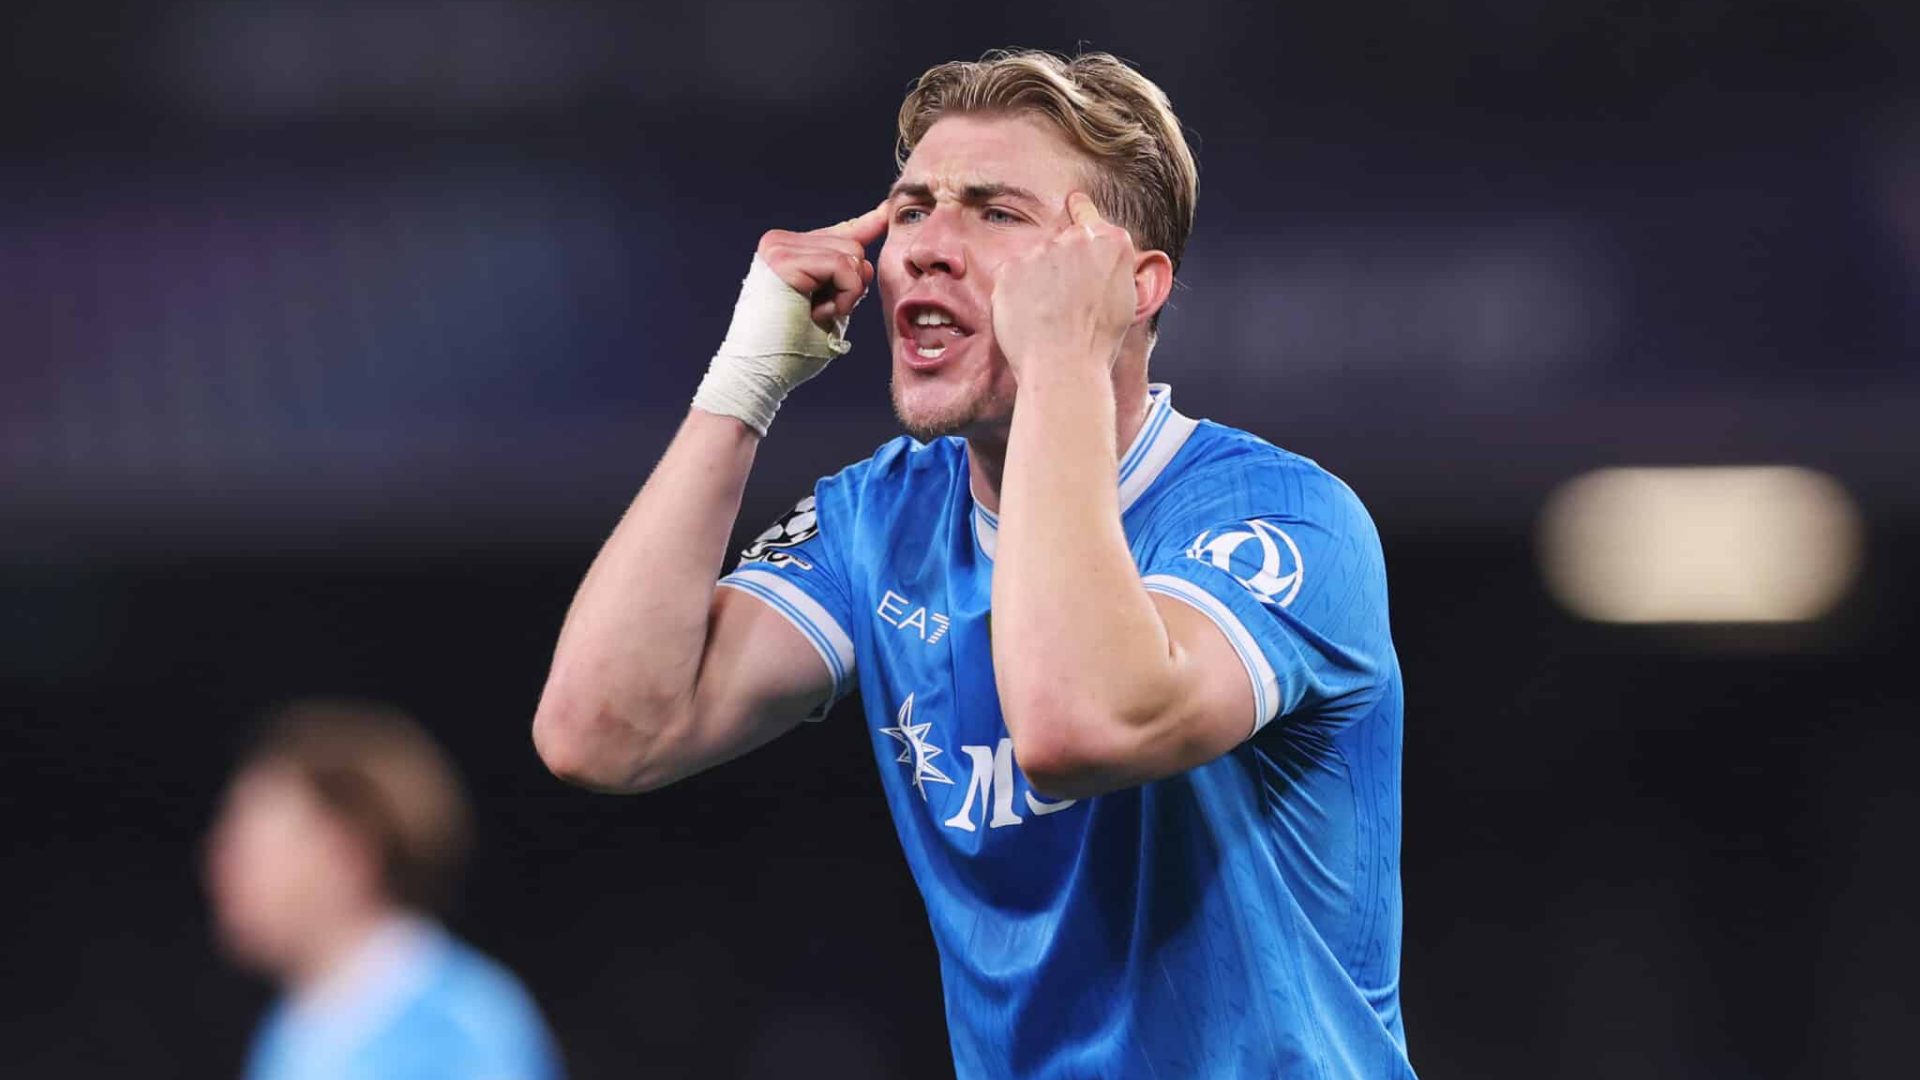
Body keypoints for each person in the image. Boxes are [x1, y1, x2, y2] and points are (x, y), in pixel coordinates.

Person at [534, 49, 1413, 1079]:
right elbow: (605, 732)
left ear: (1135, 285)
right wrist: (744, 383)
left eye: (997, 215)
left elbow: (1079, 722)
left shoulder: (1283, 518)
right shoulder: (883, 517)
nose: (929, 248)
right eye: (912, 210)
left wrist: (1062, 364)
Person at [205, 699, 565, 1080]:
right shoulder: (290, 1029)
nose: (220, 867)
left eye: (254, 847)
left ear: (349, 852)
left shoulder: (465, 1021)